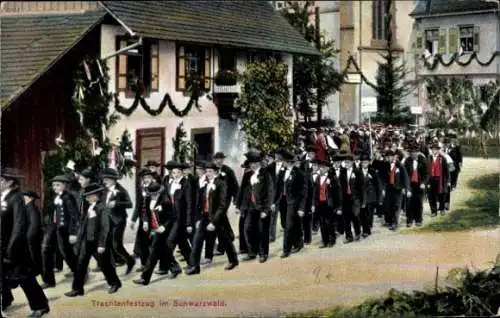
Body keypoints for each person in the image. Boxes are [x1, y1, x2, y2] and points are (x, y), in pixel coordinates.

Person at [1, 167, 50, 317]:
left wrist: (10, 250)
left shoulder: (16, 198)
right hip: (3, 245)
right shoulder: (4, 197)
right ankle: (6, 299)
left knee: (24, 278)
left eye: (1, 180)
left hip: (15, 248)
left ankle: (41, 306)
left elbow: (19, 226)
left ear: (9, 182)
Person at [65, 183, 121, 297]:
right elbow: (83, 225)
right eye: (86, 196)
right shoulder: (88, 207)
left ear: (96, 196)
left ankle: (115, 283)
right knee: (80, 264)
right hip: (87, 241)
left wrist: (101, 244)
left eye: (89, 196)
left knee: (105, 264)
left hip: (98, 241)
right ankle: (77, 289)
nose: (87, 198)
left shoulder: (102, 208)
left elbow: (105, 228)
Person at [185, 162, 239, 275]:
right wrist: (199, 218)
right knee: (197, 240)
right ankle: (195, 267)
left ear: (216, 172)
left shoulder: (221, 183)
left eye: (210, 171)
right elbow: (200, 202)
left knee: (225, 239)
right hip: (205, 216)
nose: (208, 173)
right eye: (207, 171)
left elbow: (223, 204)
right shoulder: (205, 184)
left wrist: (214, 222)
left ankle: (233, 260)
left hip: (218, 217)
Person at [41, 175, 79, 288]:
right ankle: (48, 280)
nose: (55, 187)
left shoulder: (68, 197)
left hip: (64, 229)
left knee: (66, 253)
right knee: (45, 250)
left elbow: (74, 216)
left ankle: (79, 271)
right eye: (53, 185)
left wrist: (73, 232)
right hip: (53, 227)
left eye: (58, 185)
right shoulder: (55, 197)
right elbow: (52, 213)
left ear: (65, 185)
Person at [132, 182, 170, 285]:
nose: (153, 196)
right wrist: (145, 221)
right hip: (152, 229)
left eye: (155, 194)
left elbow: (171, 217)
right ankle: (175, 268)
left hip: (161, 230)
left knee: (153, 254)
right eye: (151, 194)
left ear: (159, 192)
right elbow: (144, 211)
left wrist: (164, 226)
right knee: (165, 250)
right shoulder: (148, 199)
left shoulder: (165, 201)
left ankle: (145, 278)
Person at [100, 168, 135, 274]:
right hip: (107, 220)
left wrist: (117, 204)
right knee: (106, 243)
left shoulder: (121, 190)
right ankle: (111, 265)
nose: (104, 181)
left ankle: (130, 260)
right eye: (104, 179)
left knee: (117, 244)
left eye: (106, 179)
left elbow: (130, 204)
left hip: (118, 221)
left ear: (113, 180)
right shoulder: (104, 190)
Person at [240, 151, 273, 263]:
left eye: (255, 162)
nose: (253, 165)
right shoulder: (247, 174)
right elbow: (243, 190)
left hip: (262, 207)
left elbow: (270, 192)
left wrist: (266, 209)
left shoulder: (266, 174)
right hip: (250, 206)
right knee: (248, 228)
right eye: (251, 163)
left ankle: (263, 253)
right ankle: (252, 252)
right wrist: (239, 205)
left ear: (259, 163)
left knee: (262, 231)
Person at [273, 150, 307, 258]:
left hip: (293, 202)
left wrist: (301, 207)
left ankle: (286, 250)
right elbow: (278, 188)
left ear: (288, 162)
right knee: (289, 223)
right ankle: (299, 242)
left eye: (283, 161)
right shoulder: (282, 172)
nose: (282, 163)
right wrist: (274, 202)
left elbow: (304, 192)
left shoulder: (299, 173)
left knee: (288, 225)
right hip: (283, 201)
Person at [213, 152, 239, 256]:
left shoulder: (228, 171)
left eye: (221, 159)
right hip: (214, 199)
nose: (219, 161)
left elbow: (235, 186)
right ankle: (230, 234)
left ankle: (221, 247)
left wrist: (236, 201)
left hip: (225, 199)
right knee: (221, 219)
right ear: (214, 160)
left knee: (220, 218)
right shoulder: (211, 170)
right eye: (217, 159)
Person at [312, 159, 341, 247]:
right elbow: (314, 192)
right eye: (320, 167)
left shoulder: (333, 178)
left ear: (328, 168)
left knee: (329, 222)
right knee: (321, 223)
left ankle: (332, 240)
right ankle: (325, 241)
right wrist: (313, 204)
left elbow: (337, 193)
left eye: (324, 167)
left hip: (329, 203)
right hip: (319, 203)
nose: (321, 169)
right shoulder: (318, 177)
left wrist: (339, 206)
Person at [382, 150, 410, 231]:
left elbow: (405, 177)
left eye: (390, 157)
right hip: (389, 189)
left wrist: (406, 188)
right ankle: (390, 221)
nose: (388, 158)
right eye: (387, 157)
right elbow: (383, 178)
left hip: (398, 189)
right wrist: (383, 189)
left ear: (394, 157)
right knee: (388, 206)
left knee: (396, 206)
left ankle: (395, 223)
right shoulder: (385, 165)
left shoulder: (400, 165)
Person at [339, 154, 364, 243]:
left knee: (355, 216)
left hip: (355, 198)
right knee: (346, 218)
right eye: (345, 162)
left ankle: (357, 233)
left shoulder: (357, 172)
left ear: (352, 163)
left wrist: (362, 200)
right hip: (345, 198)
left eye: (348, 162)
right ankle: (349, 236)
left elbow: (361, 187)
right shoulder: (342, 173)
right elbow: (341, 186)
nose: (347, 164)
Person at [403, 144, 428, 227]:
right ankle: (409, 220)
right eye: (412, 152)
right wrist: (406, 187)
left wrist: (423, 183)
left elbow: (426, 174)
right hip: (410, 184)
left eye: (415, 152)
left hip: (419, 185)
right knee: (409, 202)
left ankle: (418, 219)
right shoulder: (407, 161)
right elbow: (405, 175)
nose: (414, 154)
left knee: (418, 202)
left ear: (418, 152)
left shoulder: (423, 160)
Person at [23, 190, 43, 277]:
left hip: (32, 236)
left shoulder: (31, 208)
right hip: (30, 235)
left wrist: (29, 236)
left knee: (33, 253)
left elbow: (34, 224)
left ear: (30, 198)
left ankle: (36, 270)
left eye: (24, 196)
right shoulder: (28, 207)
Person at [427, 143, 450, 217]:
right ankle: (433, 211)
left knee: (441, 195)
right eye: (433, 149)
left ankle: (442, 209)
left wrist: (448, 181)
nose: (434, 151)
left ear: (438, 150)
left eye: (436, 149)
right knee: (431, 196)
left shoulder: (442, 158)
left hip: (440, 179)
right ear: (431, 150)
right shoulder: (428, 158)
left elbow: (447, 170)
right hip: (431, 180)